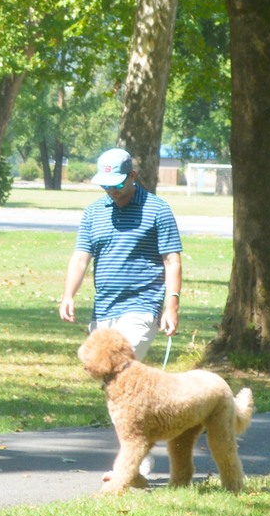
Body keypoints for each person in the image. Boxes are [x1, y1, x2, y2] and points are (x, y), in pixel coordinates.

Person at [59, 148, 183, 362]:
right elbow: (81, 258)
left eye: (116, 184)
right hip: (104, 307)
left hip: (142, 304)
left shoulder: (157, 210)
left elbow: (172, 262)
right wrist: (68, 295)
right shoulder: (93, 212)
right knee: (105, 372)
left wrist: (172, 306)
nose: (111, 190)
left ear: (132, 176)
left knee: (120, 365)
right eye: (105, 185)